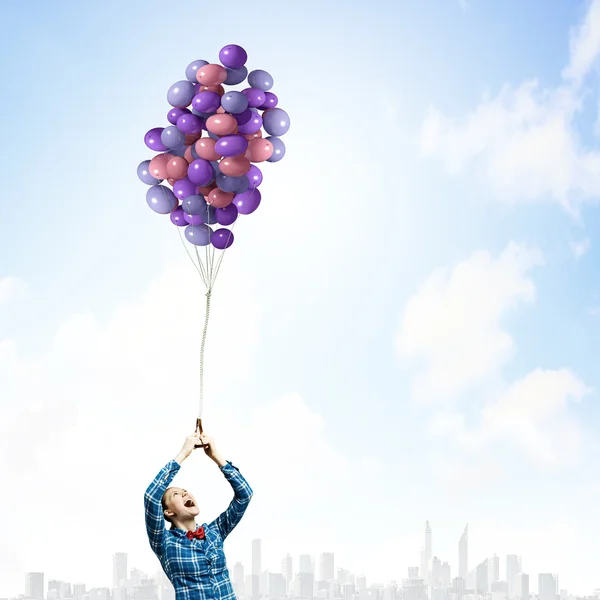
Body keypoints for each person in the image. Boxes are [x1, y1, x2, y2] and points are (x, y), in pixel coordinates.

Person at [144, 430, 253, 600]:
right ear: (168, 512)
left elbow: (245, 495)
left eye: (185, 491)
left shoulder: (215, 531)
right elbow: (151, 497)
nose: (185, 494)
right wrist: (183, 454)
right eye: (176, 495)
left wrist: (216, 456)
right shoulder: (164, 543)